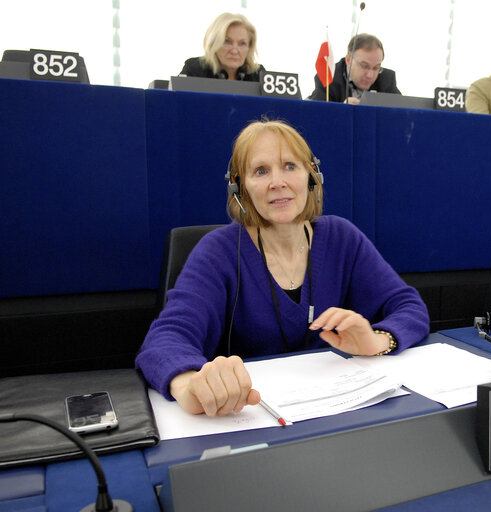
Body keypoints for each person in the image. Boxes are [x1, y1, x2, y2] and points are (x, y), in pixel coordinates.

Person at [135, 120, 429, 417]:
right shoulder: (217, 251)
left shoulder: (343, 238)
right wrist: (190, 384)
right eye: (261, 171)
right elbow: (164, 341)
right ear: (240, 187)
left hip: (337, 410)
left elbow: (409, 307)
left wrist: (378, 341)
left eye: (290, 166)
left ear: (311, 176)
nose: (278, 182)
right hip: (251, 417)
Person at [309, 33, 400, 104]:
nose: (370, 75)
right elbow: (318, 116)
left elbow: (404, 113)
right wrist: (342, 110)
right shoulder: (328, 78)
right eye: (364, 66)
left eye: (376, 68)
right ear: (348, 60)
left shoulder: (387, 80)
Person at [179, 13, 264, 81]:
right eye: (227, 42)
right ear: (213, 44)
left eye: (242, 43)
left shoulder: (259, 75)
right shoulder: (194, 70)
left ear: (250, 47)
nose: (234, 51)